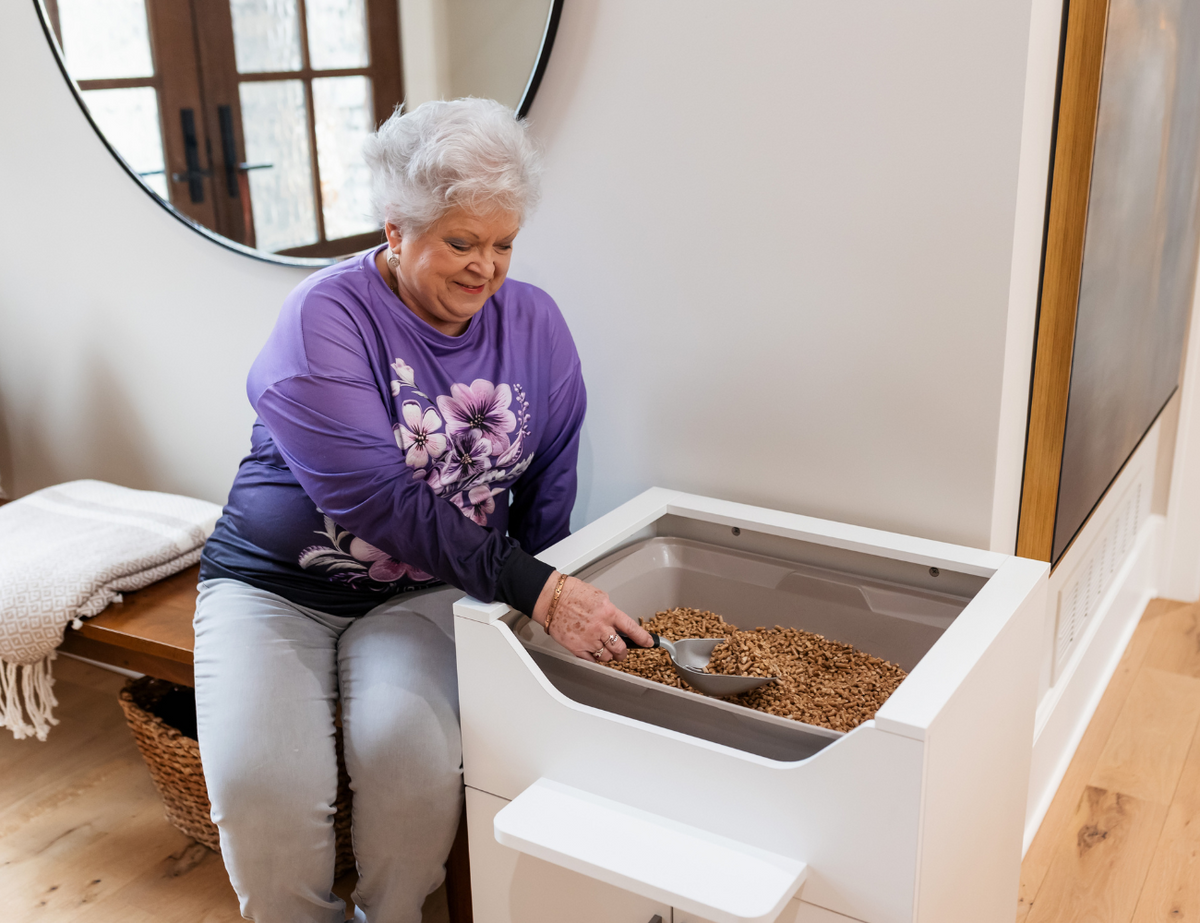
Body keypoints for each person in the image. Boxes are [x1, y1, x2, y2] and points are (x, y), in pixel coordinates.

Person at [194, 97, 652, 923]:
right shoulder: (325, 317)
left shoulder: (537, 325)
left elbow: (549, 482)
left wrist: (535, 614)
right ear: (397, 230)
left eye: (503, 243)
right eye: (461, 242)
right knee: (262, 790)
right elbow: (374, 495)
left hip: (423, 595)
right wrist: (538, 588)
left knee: (413, 765)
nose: (487, 267)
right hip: (271, 588)